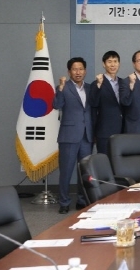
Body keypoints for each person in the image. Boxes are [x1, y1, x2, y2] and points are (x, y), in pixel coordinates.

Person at [52, 57, 93, 214]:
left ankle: (82, 200)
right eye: (74, 69)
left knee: (84, 171)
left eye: (81, 69)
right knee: (66, 170)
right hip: (69, 135)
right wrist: (60, 89)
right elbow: (57, 105)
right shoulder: (63, 87)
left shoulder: (90, 88)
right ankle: (64, 202)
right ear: (69, 72)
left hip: (87, 135)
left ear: (85, 71)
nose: (78, 72)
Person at [90, 50, 124, 154]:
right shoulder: (96, 83)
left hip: (123, 131)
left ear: (119, 64)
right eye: (109, 61)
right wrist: (98, 86)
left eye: (115, 61)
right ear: (103, 64)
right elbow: (93, 103)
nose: (113, 65)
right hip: (104, 131)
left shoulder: (124, 82)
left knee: (120, 162)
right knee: (105, 161)